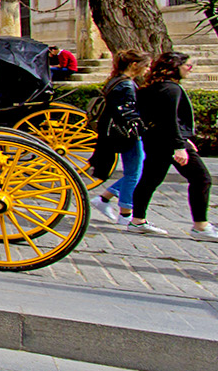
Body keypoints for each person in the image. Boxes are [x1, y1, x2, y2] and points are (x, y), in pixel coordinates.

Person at [130, 52, 216, 239]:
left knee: (150, 179)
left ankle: (137, 220)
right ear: (174, 67)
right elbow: (169, 120)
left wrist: (185, 139)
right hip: (169, 142)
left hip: (154, 140)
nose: (190, 69)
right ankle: (201, 226)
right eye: (187, 65)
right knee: (202, 178)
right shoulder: (171, 89)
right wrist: (179, 146)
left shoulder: (149, 88)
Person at [89, 49, 148, 222]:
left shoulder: (116, 81)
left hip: (115, 132)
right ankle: (125, 212)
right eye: (145, 65)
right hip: (126, 134)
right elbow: (127, 113)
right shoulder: (126, 84)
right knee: (134, 172)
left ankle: (105, 198)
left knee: (135, 171)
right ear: (134, 65)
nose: (147, 69)